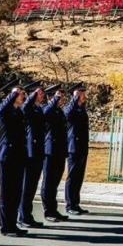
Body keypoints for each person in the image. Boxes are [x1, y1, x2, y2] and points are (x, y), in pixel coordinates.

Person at [0, 78, 28, 237]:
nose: (22, 96)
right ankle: (6, 226)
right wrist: (13, 93)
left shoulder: (18, 112)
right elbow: (2, 108)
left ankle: (12, 224)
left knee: (16, 193)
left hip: (18, 157)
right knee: (6, 194)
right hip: (6, 157)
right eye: (19, 94)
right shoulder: (3, 110)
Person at [18, 80, 45, 228]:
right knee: (27, 186)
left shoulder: (38, 108)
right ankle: (23, 216)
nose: (42, 95)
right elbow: (25, 107)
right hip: (30, 152)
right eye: (38, 93)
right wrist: (32, 95)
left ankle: (27, 215)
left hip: (38, 151)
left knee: (32, 186)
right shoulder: (27, 108)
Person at [41, 83, 69, 222]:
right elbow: (46, 115)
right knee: (48, 182)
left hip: (59, 150)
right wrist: (54, 101)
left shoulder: (59, 111)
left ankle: (53, 209)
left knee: (55, 182)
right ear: (51, 97)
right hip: (50, 150)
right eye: (59, 96)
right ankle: (48, 211)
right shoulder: (47, 108)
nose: (62, 98)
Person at [64, 82, 90, 216]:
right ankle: (70, 204)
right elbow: (67, 114)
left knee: (79, 176)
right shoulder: (70, 108)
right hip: (73, 147)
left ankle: (75, 203)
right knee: (73, 176)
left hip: (82, 146)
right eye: (81, 93)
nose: (84, 95)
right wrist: (74, 98)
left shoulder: (81, 108)